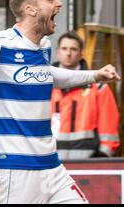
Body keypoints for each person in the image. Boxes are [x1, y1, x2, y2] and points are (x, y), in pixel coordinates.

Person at [0, 0, 120, 204]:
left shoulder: (43, 45)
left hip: (51, 167)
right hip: (14, 171)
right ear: (30, 9)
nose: (59, 4)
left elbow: (45, 74)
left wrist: (94, 75)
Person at [51, 31, 121, 159]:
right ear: (57, 52)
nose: (68, 53)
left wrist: (102, 156)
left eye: (73, 49)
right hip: (51, 163)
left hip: (88, 164)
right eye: (64, 48)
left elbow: (109, 130)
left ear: (81, 54)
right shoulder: (44, 86)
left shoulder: (99, 88)